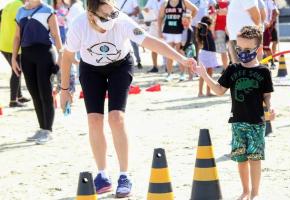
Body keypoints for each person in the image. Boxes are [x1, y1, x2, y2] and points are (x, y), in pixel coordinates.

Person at [60, 0, 196, 197]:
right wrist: (65, 89)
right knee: (94, 120)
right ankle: (102, 175)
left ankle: (124, 175)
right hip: (90, 69)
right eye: (105, 16)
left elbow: (151, 41)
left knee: (116, 118)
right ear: (92, 14)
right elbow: (66, 56)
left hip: (120, 66)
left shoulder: (122, 21)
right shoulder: (79, 24)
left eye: (113, 13)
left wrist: (182, 59)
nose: (111, 19)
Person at [196, 26, 275, 200]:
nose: (242, 53)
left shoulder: (263, 71)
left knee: (255, 158)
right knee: (240, 159)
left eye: (247, 50)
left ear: (258, 49)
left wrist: (270, 106)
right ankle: (245, 191)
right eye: (239, 48)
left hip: (256, 121)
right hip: (237, 121)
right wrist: (204, 75)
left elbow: (267, 95)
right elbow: (218, 90)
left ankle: (255, 193)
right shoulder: (232, 69)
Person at [11, 0, 63, 144]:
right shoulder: (20, 11)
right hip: (27, 56)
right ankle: (42, 128)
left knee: (45, 93)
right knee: (34, 93)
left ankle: (48, 130)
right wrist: (14, 58)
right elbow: (17, 37)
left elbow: (56, 35)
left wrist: (61, 57)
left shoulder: (47, 10)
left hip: (44, 54)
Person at [0, 0, 31, 108]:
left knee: (17, 69)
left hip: (3, 43)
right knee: (17, 71)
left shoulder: (9, 5)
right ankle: (13, 100)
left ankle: (19, 96)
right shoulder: (22, 8)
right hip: (12, 45)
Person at [158, 0, 197, 81]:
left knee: (180, 53)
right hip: (168, 32)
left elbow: (195, 9)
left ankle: (182, 74)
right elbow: (160, 17)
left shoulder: (183, 2)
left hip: (180, 32)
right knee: (169, 54)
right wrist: (159, 30)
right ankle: (169, 74)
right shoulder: (165, 3)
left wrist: (188, 20)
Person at [116, 0, 143, 69]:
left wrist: (127, 15)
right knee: (119, 43)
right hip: (119, 25)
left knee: (134, 44)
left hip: (131, 25)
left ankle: (138, 61)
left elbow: (138, 10)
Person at [197, 16, 218, 97]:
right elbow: (203, 27)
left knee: (210, 73)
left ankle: (208, 92)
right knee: (203, 73)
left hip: (211, 53)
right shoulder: (204, 31)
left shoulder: (209, 31)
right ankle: (200, 92)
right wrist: (204, 24)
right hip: (206, 53)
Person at [143, 0, 164, 73]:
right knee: (153, 46)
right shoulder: (151, 1)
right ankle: (155, 66)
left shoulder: (166, 1)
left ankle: (167, 66)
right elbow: (146, 9)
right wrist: (146, 10)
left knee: (166, 45)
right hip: (154, 25)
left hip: (164, 25)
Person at [180, 12, 196, 80]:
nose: (184, 22)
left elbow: (189, 41)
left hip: (189, 47)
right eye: (183, 21)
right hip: (185, 47)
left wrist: (183, 48)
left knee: (190, 62)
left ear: (190, 21)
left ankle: (191, 75)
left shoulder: (189, 29)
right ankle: (189, 75)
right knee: (187, 62)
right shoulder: (183, 29)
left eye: (185, 21)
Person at [214, 0, 229, 69]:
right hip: (228, 29)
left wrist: (213, 30)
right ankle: (227, 68)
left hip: (220, 29)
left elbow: (213, 18)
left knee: (223, 51)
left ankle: (226, 69)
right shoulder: (229, 3)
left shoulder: (216, 3)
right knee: (229, 50)